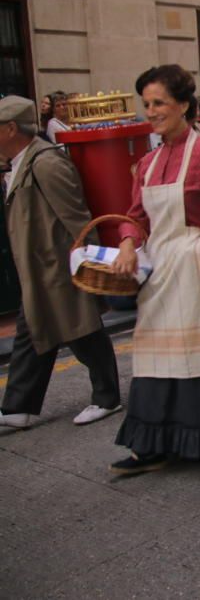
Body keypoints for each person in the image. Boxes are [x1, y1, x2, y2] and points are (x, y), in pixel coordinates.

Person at [110, 65, 200, 475]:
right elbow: (135, 215)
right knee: (158, 357)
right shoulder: (149, 162)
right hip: (161, 271)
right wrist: (126, 242)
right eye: (147, 105)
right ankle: (154, 443)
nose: (152, 111)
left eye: (159, 103)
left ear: (182, 106)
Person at [0, 95, 121, 429]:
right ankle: (17, 407)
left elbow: (76, 217)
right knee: (34, 331)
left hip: (59, 267)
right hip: (40, 270)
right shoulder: (23, 162)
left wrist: (88, 262)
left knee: (82, 330)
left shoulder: (46, 163)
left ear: (11, 128)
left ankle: (108, 397)